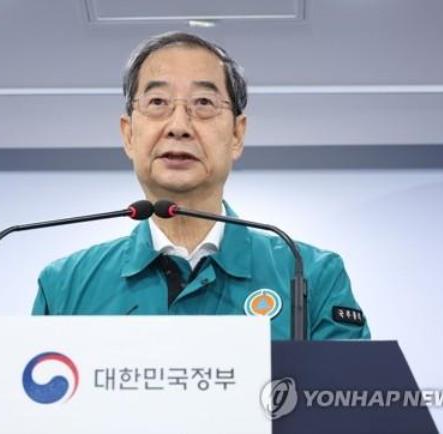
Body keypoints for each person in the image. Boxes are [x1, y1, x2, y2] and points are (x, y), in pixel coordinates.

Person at [32, 31, 370, 340]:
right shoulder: (65, 285)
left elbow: (351, 401)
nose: (179, 126)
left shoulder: (311, 275)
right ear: (129, 134)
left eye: (203, 104)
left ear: (237, 134)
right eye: (157, 103)